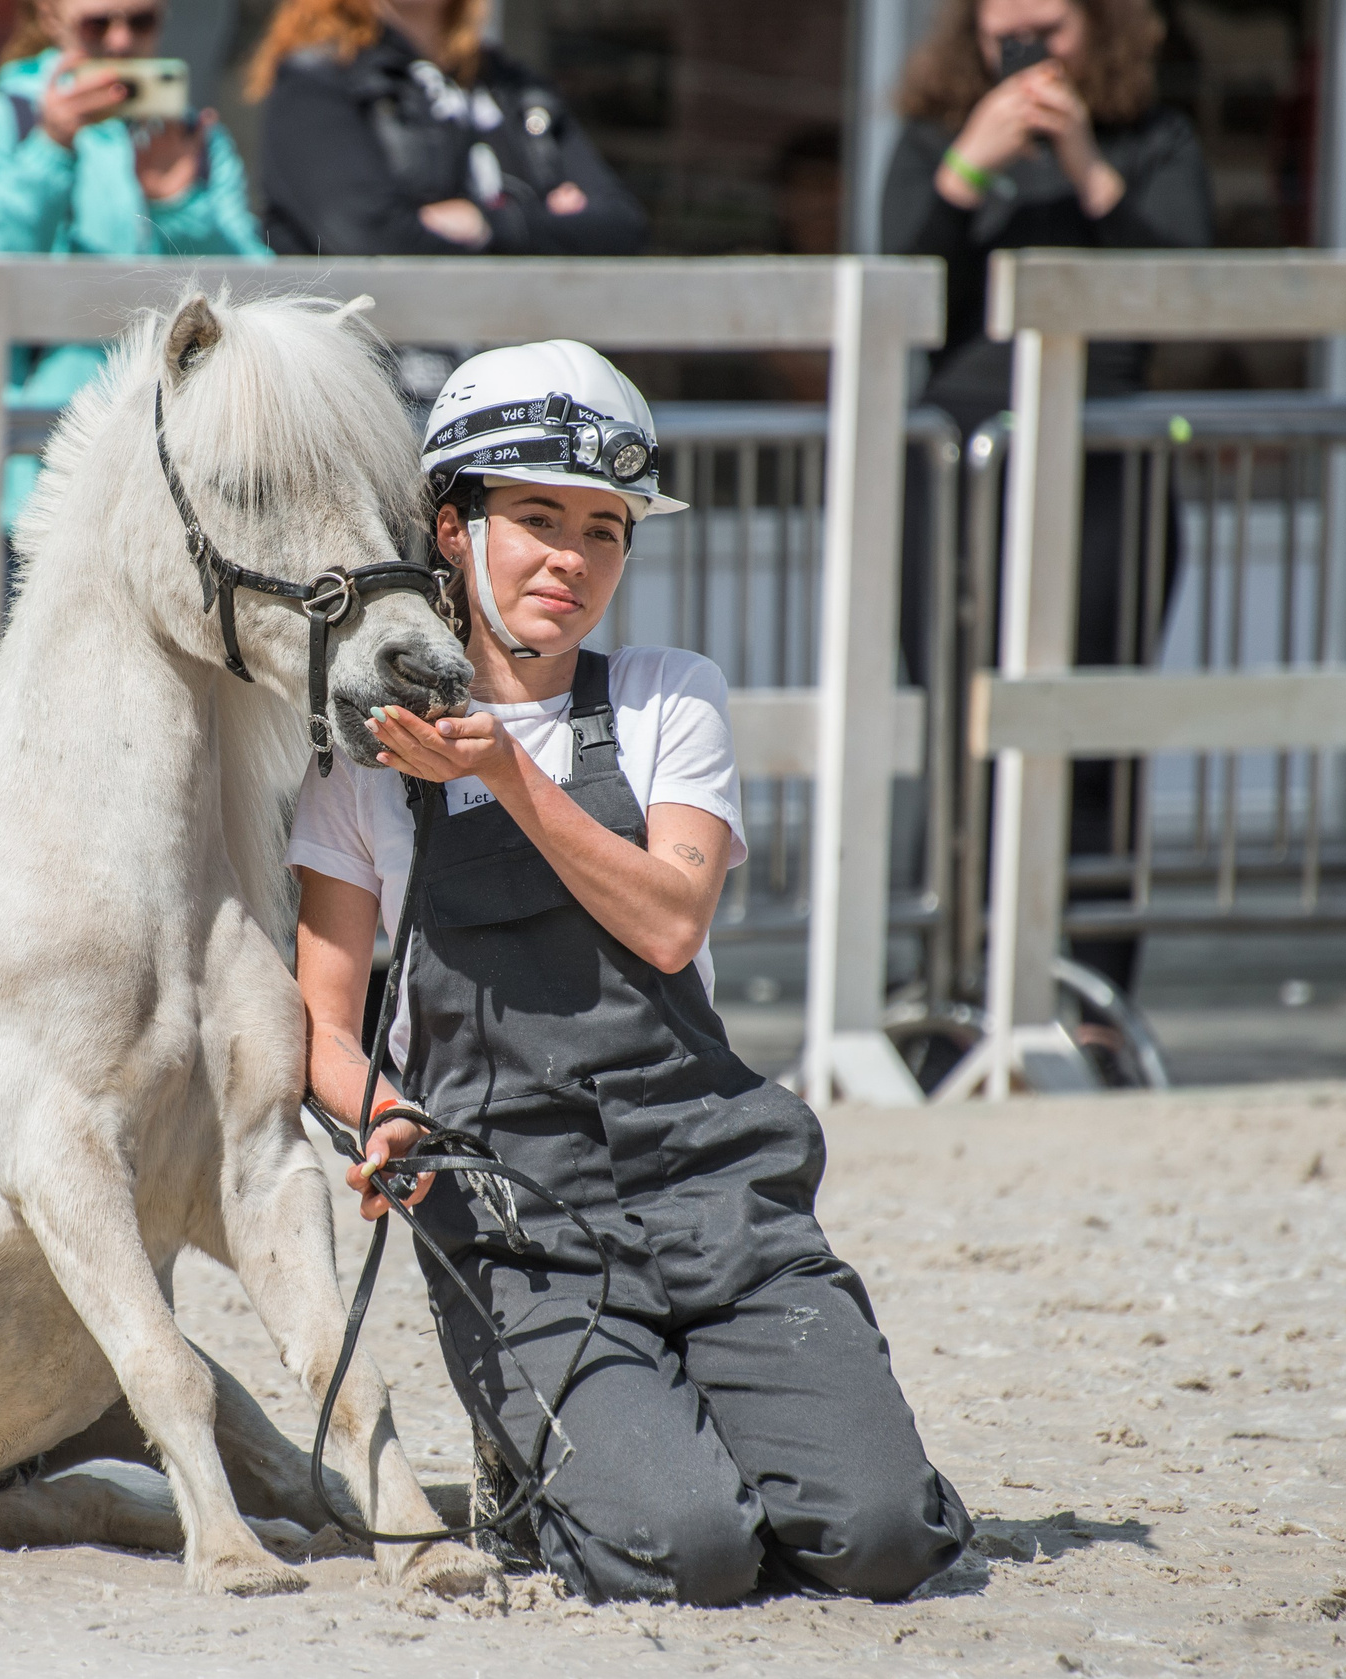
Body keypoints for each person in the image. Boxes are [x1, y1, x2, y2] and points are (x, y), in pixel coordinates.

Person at [290, 341, 971, 1605]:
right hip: (515, 1218)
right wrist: (373, 1111)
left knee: (881, 1537)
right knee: (692, 1551)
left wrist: (504, 773)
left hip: (718, 1187)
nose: (571, 560)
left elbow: (668, 922)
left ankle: (707, 1423)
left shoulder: (670, 698)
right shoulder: (358, 764)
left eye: (604, 531)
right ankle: (541, 1459)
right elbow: (322, 1026)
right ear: (452, 525)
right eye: (535, 520)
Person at [881, 0, 1211, 999]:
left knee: (1092, 725)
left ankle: (1092, 985)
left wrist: (1083, 162)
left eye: (1049, 31)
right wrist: (966, 166)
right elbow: (895, 281)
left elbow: (1187, 293)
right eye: (1004, 34)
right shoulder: (940, 134)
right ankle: (946, 978)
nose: (1025, 52)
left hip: (1102, 459)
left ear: (1101, 28)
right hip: (958, 463)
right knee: (958, 727)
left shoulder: (1150, 138)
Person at [0, 0, 268, 531]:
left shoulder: (197, 140)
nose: (120, 42)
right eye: (98, 24)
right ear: (49, 16)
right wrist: (51, 148)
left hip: (189, 479)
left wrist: (179, 206)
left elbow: (259, 292)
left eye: (141, 22)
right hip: (44, 473)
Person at [249, 0, 645, 259]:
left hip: (521, 362)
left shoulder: (514, 88)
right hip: (380, 370)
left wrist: (486, 225)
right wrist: (547, 226)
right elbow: (371, 240)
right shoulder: (317, 82)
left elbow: (621, 228)